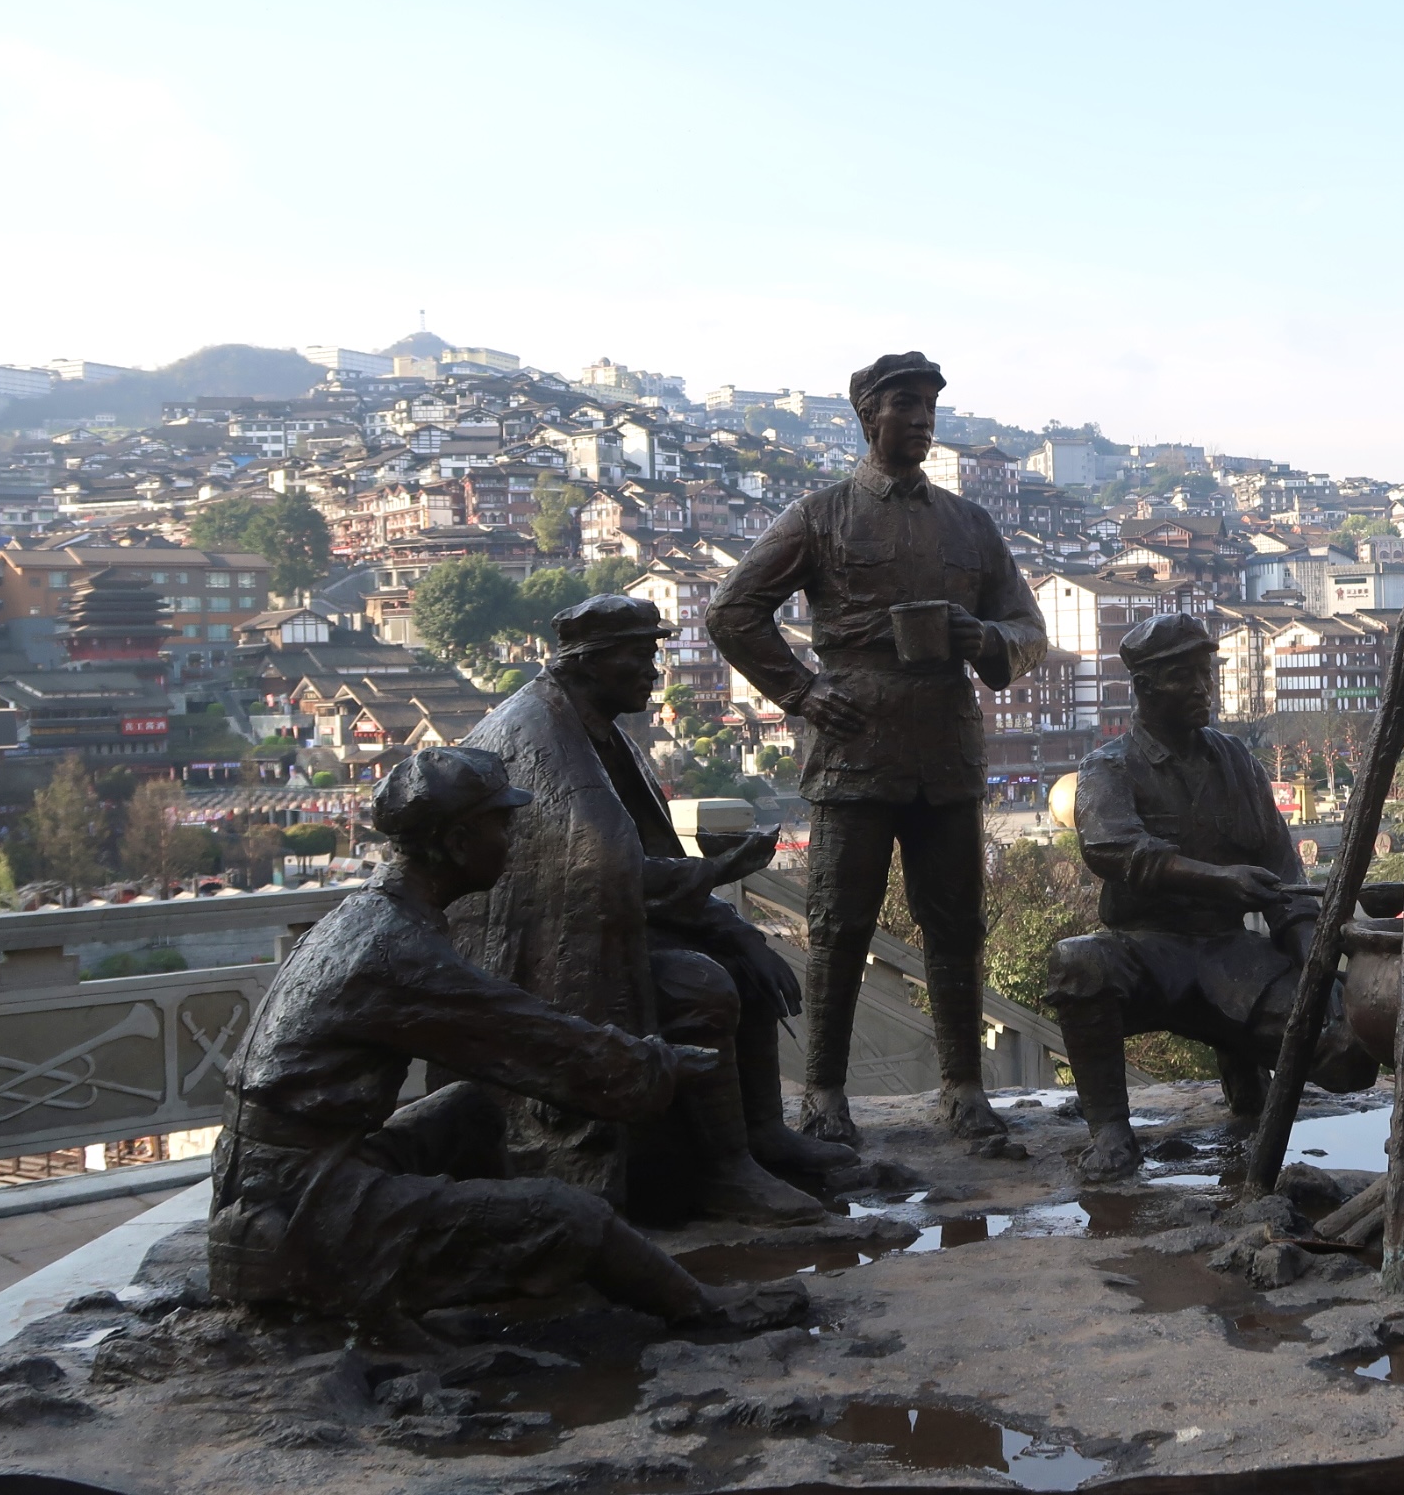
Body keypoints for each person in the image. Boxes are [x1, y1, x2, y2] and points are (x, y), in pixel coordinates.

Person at [206, 747, 799, 1330]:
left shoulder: (369, 915)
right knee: (572, 1217)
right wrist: (658, 1064)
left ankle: (485, 1241)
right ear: (459, 842)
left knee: (472, 1107)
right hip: (301, 1213)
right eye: (501, 826)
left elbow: (514, 1035)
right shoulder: (396, 951)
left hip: (272, 1177)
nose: (511, 842)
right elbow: (536, 1044)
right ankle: (704, 1309)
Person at [709, 351, 1047, 1146]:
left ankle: (964, 1086)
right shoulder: (823, 514)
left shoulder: (971, 523)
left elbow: (1030, 632)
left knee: (957, 922)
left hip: (947, 743)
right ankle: (823, 1093)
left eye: (931, 404)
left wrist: (984, 636)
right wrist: (800, 691)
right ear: (869, 416)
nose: (923, 418)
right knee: (838, 923)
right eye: (906, 403)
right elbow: (733, 611)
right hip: (854, 745)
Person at [456, 594, 849, 1227]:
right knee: (699, 985)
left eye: (655, 655)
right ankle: (725, 1172)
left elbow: (634, 863)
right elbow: (600, 874)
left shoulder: (604, 732)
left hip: (604, 922)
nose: (654, 673)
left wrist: (739, 931)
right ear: (588, 663)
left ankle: (761, 1133)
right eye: (639, 657)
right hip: (535, 957)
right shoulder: (541, 736)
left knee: (745, 956)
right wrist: (718, 871)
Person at [1048, 614, 1378, 1180]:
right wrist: (1218, 879)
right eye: (1185, 677)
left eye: (1207, 675)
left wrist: (1313, 964)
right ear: (1146, 686)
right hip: (1149, 952)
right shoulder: (1109, 765)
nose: (1203, 690)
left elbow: (1284, 878)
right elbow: (1114, 850)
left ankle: (1246, 1074)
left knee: (1351, 1052)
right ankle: (1110, 1132)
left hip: (1232, 957)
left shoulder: (1238, 762)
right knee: (1076, 964)